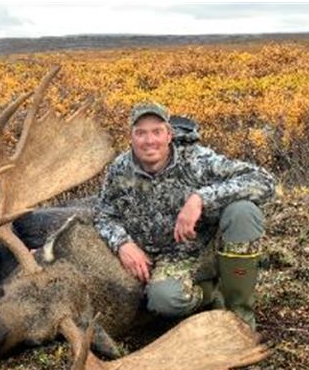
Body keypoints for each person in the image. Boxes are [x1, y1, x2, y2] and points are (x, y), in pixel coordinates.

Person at [94, 102, 276, 330]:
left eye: (157, 132)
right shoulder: (120, 169)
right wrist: (123, 243)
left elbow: (263, 181)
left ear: (169, 135)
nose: (149, 140)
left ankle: (240, 316)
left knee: (243, 211)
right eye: (141, 133)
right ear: (131, 137)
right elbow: (104, 214)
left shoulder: (196, 161)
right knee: (163, 301)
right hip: (169, 260)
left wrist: (200, 198)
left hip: (208, 248)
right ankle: (211, 293)